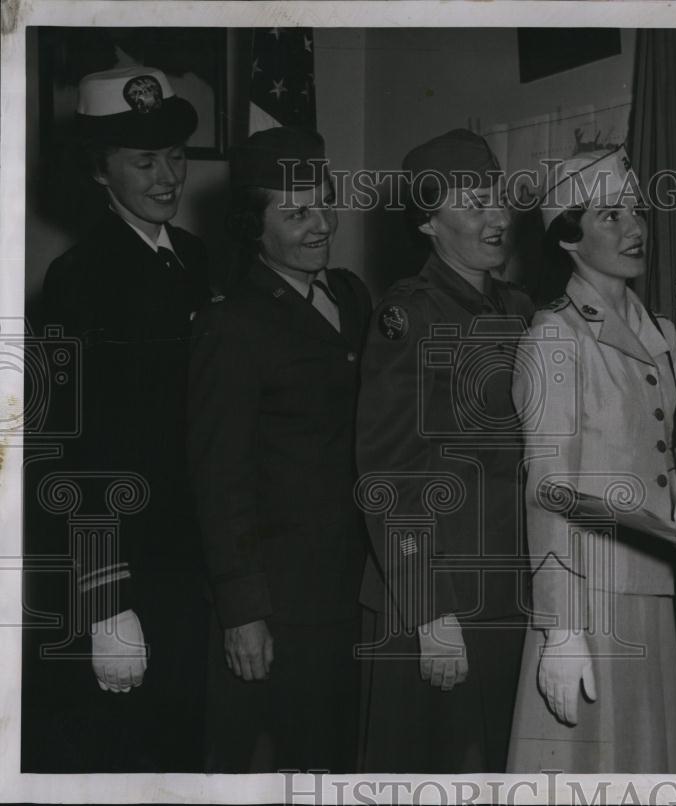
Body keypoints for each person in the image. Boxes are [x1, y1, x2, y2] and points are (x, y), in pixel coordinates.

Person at [505, 148, 676, 773]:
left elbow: (656, 445)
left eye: (638, 212)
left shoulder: (662, 333)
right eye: (610, 216)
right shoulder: (554, 337)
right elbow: (549, 488)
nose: (636, 229)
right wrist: (561, 629)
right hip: (588, 596)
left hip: (653, 583)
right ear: (569, 238)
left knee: (648, 764)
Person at [35, 65, 210, 771]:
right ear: (99, 172)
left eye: (174, 156)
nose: (168, 177)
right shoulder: (80, 278)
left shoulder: (198, 260)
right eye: (144, 161)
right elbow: (73, 451)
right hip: (134, 569)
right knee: (128, 756)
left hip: (198, 561)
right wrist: (106, 602)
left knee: (192, 747)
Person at [188, 126, 371, 772]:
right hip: (276, 606)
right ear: (251, 227)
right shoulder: (230, 326)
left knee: (336, 763)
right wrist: (242, 613)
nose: (320, 223)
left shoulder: (351, 298)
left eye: (323, 203)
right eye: (295, 213)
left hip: (348, 590)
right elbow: (219, 480)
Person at [355, 128, 535, 772]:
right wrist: (429, 610)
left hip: (509, 593)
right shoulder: (410, 315)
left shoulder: (519, 307)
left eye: (497, 197)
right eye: (472, 203)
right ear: (428, 223)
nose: (497, 217)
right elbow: (389, 473)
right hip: (437, 597)